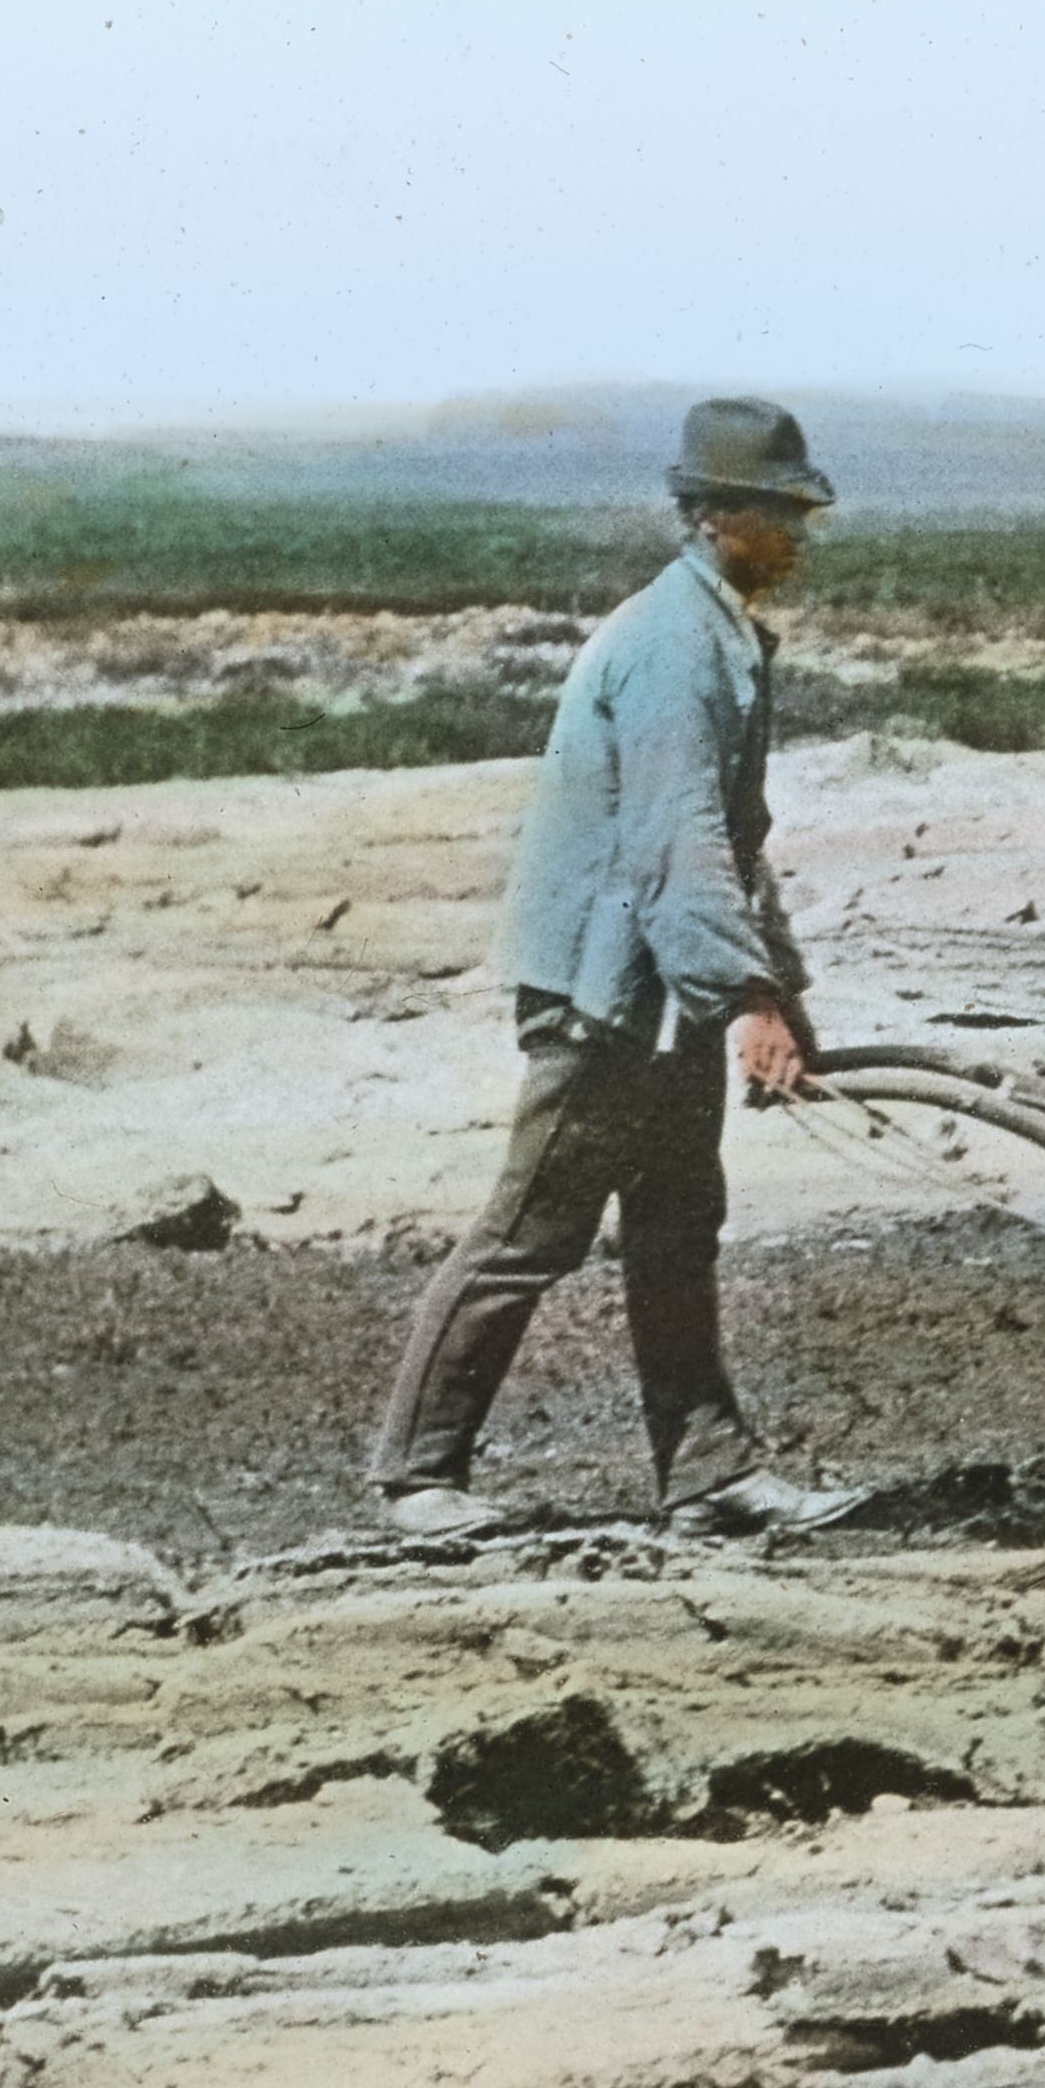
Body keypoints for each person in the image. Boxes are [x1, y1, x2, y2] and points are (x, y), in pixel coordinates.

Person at [365, 394, 837, 1529]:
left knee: (677, 1229)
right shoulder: (675, 644)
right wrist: (749, 998)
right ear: (717, 514)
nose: (797, 535)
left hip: (665, 990)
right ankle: (417, 1477)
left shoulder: (717, 631)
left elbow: (735, 845)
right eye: (779, 514)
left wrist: (775, 991)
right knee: (532, 1230)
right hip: (605, 990)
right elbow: (679, 840)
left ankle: (709, 1472)